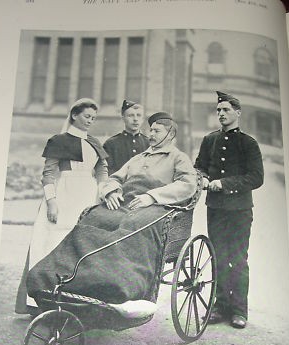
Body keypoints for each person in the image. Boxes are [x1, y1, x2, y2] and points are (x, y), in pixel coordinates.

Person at [26, 112, 197, 314]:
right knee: (93, 218)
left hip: (156, 207)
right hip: (125, 203)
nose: (150, 133)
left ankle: (116, 286)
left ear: (170, 134)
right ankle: (60, 278)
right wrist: (112, 192)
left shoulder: (179, 158)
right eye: (150, 130)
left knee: (131, 228)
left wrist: (152, 196)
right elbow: (115, 178)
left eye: (156, 131)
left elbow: (188, 184)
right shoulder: (139, 157)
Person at [15, 98, 108, 315]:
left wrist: (102, 189)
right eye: (87, 116)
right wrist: (52, 202)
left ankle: (75, 301)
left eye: (93, 118)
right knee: (51, 243)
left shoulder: (94, 142)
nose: (90, 121)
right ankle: (42, 301)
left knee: (82, 246)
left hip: (88, 195)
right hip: (64, 194)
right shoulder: (59, 141)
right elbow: (48, 174)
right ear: (74, 115)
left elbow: (102, 169)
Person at [194, 91, 264, 329]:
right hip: (216, 208)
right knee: (218, 257)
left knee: (238, 259)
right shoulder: (210, 140)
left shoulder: (248, 143)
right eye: (218, 110)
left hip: (239, 210)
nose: (221, 114)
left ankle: (238, 310)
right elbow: (199, 166)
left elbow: (256, 178)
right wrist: (201, 177)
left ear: (238, 113)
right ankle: (219, 306)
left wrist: (224, 184)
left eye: (226, 110)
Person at [103, 100, 149, 175]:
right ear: (123, 118)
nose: (135, 119)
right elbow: (107, 171)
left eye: (139, 115)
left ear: (143, 119)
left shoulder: (149, 144)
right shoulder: (111, 144)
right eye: (131, 115)